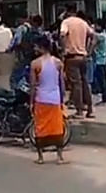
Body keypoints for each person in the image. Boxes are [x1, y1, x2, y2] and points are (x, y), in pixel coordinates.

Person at [28, 35, 67, 165]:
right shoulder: (58, 63)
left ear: (41, 47)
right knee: (57, 128)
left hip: (41, 98)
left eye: (35, 46)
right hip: (55, 99)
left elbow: (33, 85)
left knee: (41, 127)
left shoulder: (35, 64)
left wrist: (31, 101)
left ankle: (40, 157)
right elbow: (62, 83)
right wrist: (62, 99)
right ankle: (60, 157)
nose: (34, 49)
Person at [60, 5, 94, 119]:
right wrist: (89, 51)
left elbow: (62, 35)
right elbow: (94, 36)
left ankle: (79, 110)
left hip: (72, 57)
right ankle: (90, 109)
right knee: (85, 83)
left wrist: (64, 49)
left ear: (68, 12)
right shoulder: (83, 23)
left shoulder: (66, 22)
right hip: (83, 56)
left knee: (76, 84)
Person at [8, 15, 42, 92]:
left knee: (16, 77)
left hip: (23, 57)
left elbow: (17, 41)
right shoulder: (40, 32)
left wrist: (10, 49)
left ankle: (18, 95)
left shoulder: (22, 28)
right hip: (35, 58)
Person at [91, 19, 106, 104]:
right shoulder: (105, 35)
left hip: (100, 60)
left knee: (101, 79)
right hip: (104, 59)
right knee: (105, 79)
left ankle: (105, 96)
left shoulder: (99, 36)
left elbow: (93, 44)